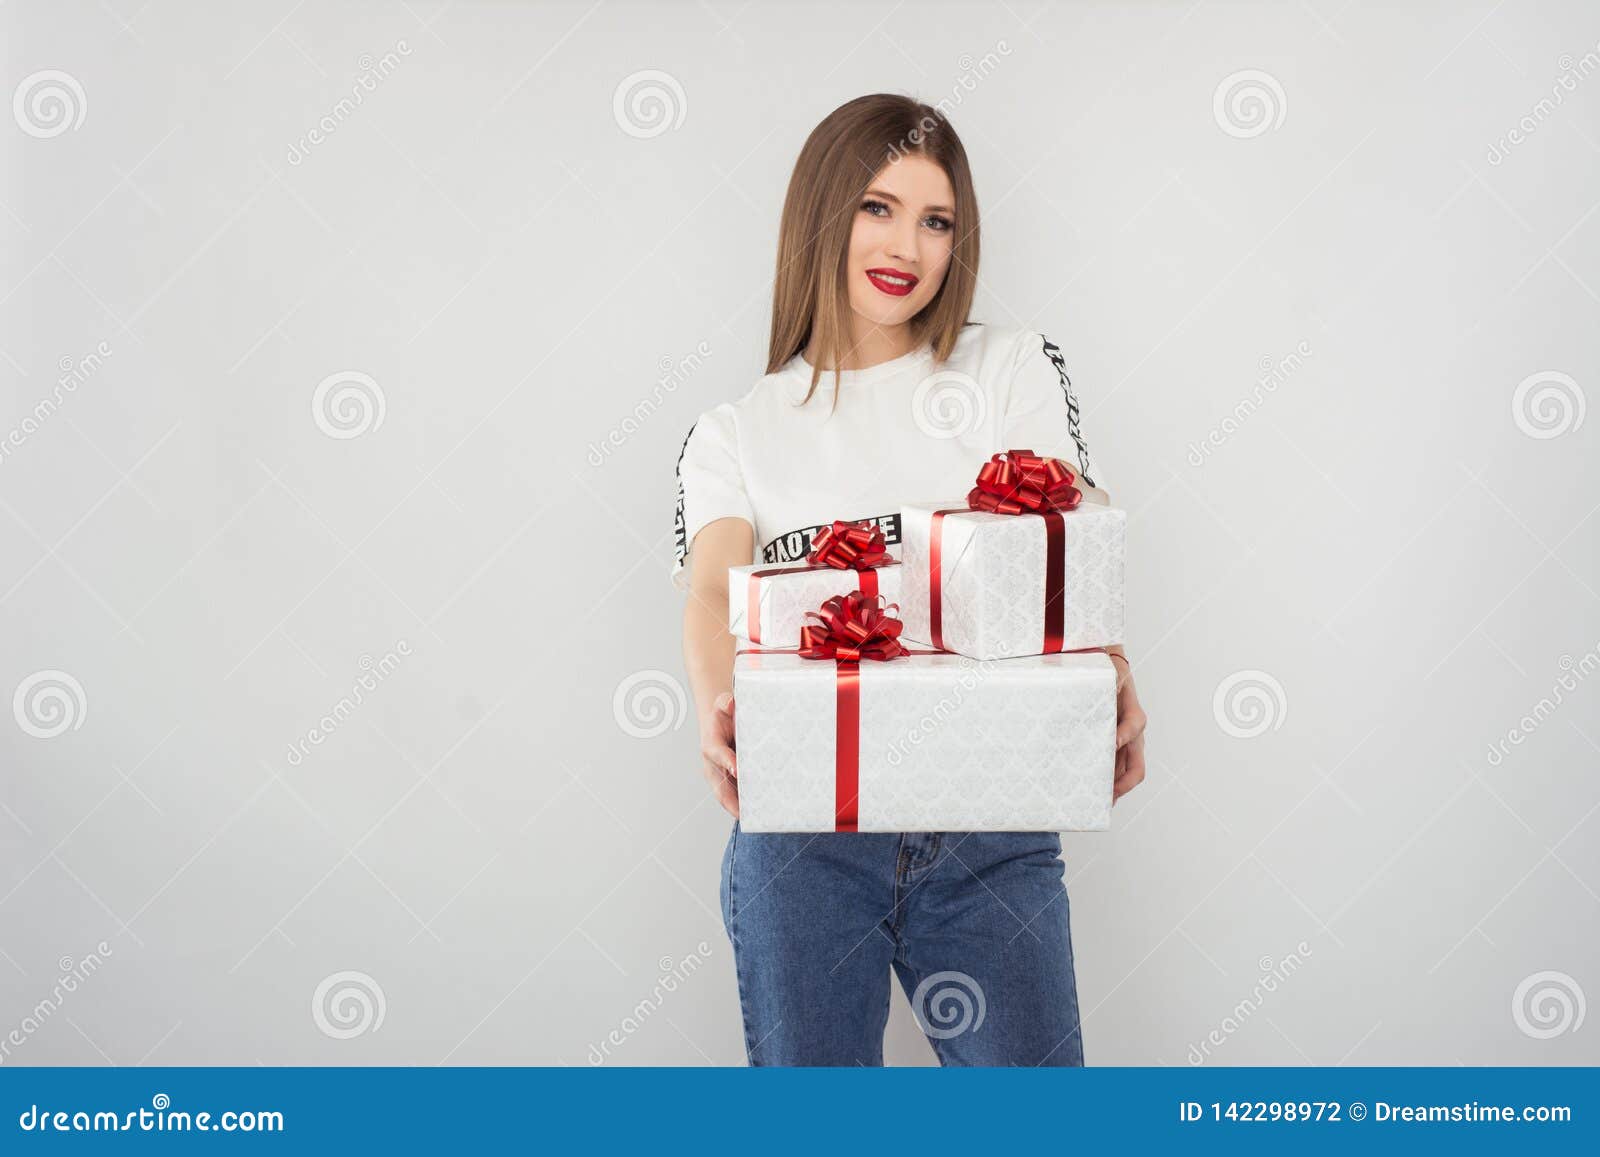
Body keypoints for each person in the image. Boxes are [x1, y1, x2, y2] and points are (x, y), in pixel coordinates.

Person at [671, 93, 1147, 1066]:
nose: (909, 245)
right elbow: (713, 586)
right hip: (806, 838)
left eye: (938, 220)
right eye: (877, 207)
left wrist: (1106, 661)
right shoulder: (735, 431)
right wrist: (715, 694)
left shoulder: (1011, 365)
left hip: (990, 820)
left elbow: (1062, 535)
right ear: (823, 210)